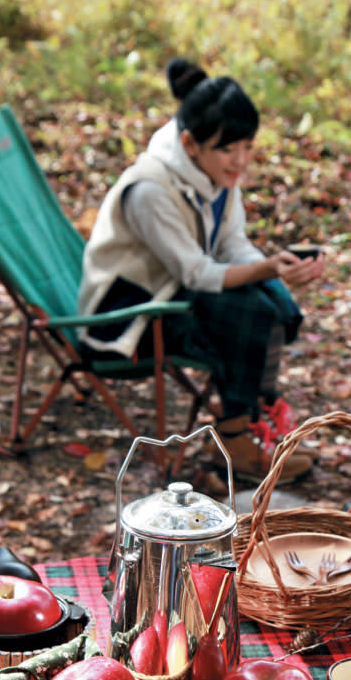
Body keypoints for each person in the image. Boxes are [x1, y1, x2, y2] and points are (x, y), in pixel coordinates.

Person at [77, 57, 325, 483]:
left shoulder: (216, 176)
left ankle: (256, 415)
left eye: (247, 146)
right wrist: (266, 269)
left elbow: (231, 245)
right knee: (248, 311)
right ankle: (235, 437)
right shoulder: (149, 190)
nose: (240, 161)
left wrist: (276, 270)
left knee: (278, 303)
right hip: (128, 313)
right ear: (190, 144)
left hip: (176, 293)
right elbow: (195, 273)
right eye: (228, 149)